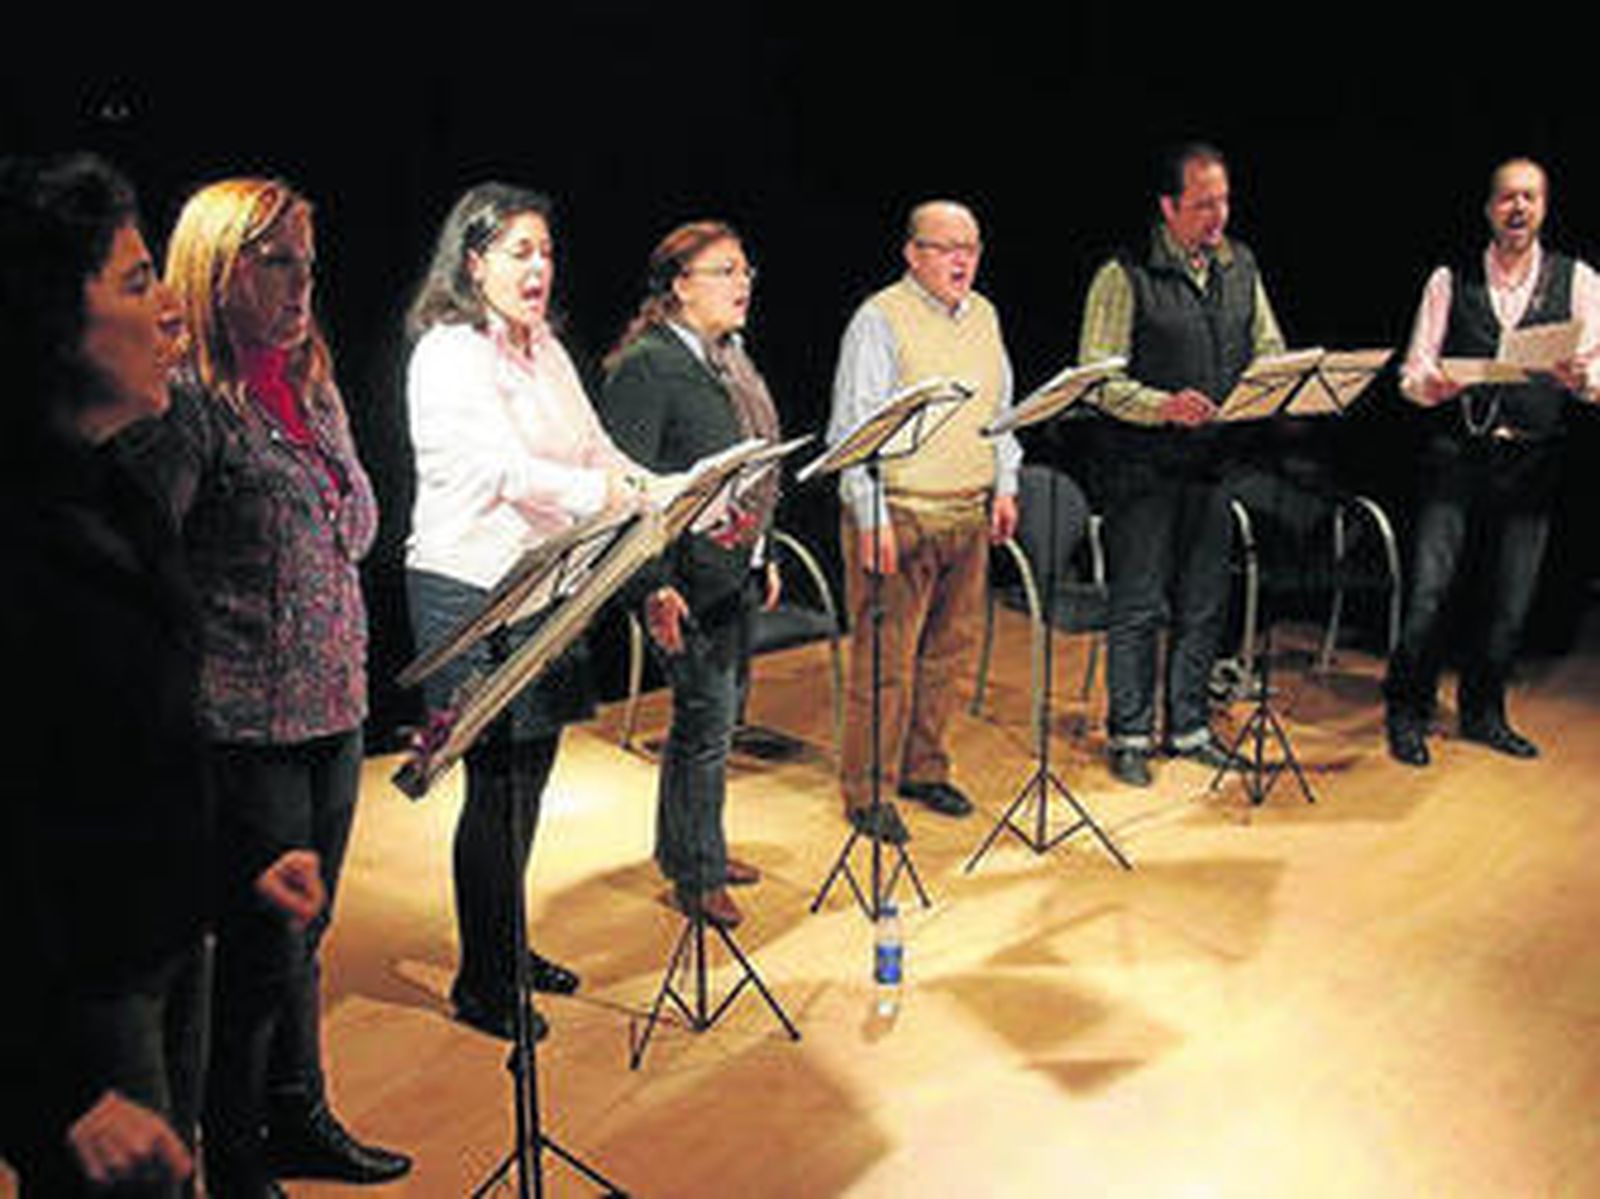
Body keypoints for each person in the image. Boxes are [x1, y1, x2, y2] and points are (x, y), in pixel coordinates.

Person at [0, 154, 321, 1198]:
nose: (169, 310)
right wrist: (54, 1086)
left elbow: (157, 739)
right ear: (51, 320)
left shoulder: (119, 493)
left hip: (161, 937)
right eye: (138, 284)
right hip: (77, 1000)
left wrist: (241, 861)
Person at [123, 178, 408, 1193]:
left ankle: (299, 1116)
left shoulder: (313, 382)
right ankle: (236, 1152)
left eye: (309, 266)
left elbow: (358, 528)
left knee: (307, 935)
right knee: (258, 950)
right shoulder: (189, 404)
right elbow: (140, 571)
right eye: (276, 262)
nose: (301, 288)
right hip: (241, 723)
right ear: (216, 266)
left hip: (334, 707)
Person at [404, 183, 651, 1038]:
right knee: (496, 788)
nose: (538, 267)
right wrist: (606, 493)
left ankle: (505, 947)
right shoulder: (446, 353)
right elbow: (502, 470)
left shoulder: (546, 348)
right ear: (473, 262)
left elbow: (593, 445)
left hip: (546, 585)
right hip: (468, 588)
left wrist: (654, 491)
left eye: (545, 251)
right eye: (519, 251)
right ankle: (482, 980)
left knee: (531, 783)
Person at [1078, 141, 1286, 787]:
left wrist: (1270, 384)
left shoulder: (1240, 264)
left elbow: (1269, 345)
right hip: (1142, 467)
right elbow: (1096, 379)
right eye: (1202, 204)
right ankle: (1131, 733)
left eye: (1223, 201)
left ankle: (1190, 727)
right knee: (1139, 604)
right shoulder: (1124, 273)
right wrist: (1162, 405)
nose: (1217, 216)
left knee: (1204, 601)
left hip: (1214, 464)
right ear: (1169, 207)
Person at [1382, 157, 1600, 766]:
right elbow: (1411, 373)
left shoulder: (1578, 280)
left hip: (1532, 458)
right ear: (1489, 208)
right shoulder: (1451, 280)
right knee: (1430, 591)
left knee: (1509, 600)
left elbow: (1599, 374)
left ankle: (1484, 712)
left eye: (1530, 198)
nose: (1518, 208)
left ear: (1545, 208)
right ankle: (1407, 709)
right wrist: (1435, 387)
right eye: (1507, 198)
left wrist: (1583, 378)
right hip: (1456, 455)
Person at [598, 220, 782, 929]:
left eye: (745, 270)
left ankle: (692, 844)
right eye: (725, 272)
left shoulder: (727, 358)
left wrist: (762, 552)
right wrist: (653, 585)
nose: (743, 285)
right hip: (684, 579)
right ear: (680, 286)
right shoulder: (647, 366)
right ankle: (697, 871)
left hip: (732, 566)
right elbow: (628, 489)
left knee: (713, 719)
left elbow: (754, 465)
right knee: (705, 721)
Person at [826, 199, 1021, 844]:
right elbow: (853, 432)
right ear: (913, 254)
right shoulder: (879, 320)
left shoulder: (986, 315)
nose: (962, 259)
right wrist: (871, 514)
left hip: (966, 511)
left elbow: (1003, 411)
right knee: (885, 664)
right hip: (899, 515)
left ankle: (924, 768)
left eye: (971, 246)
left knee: (947, 657)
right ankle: (868, 788)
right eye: (946, 247)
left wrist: (1006, 484)